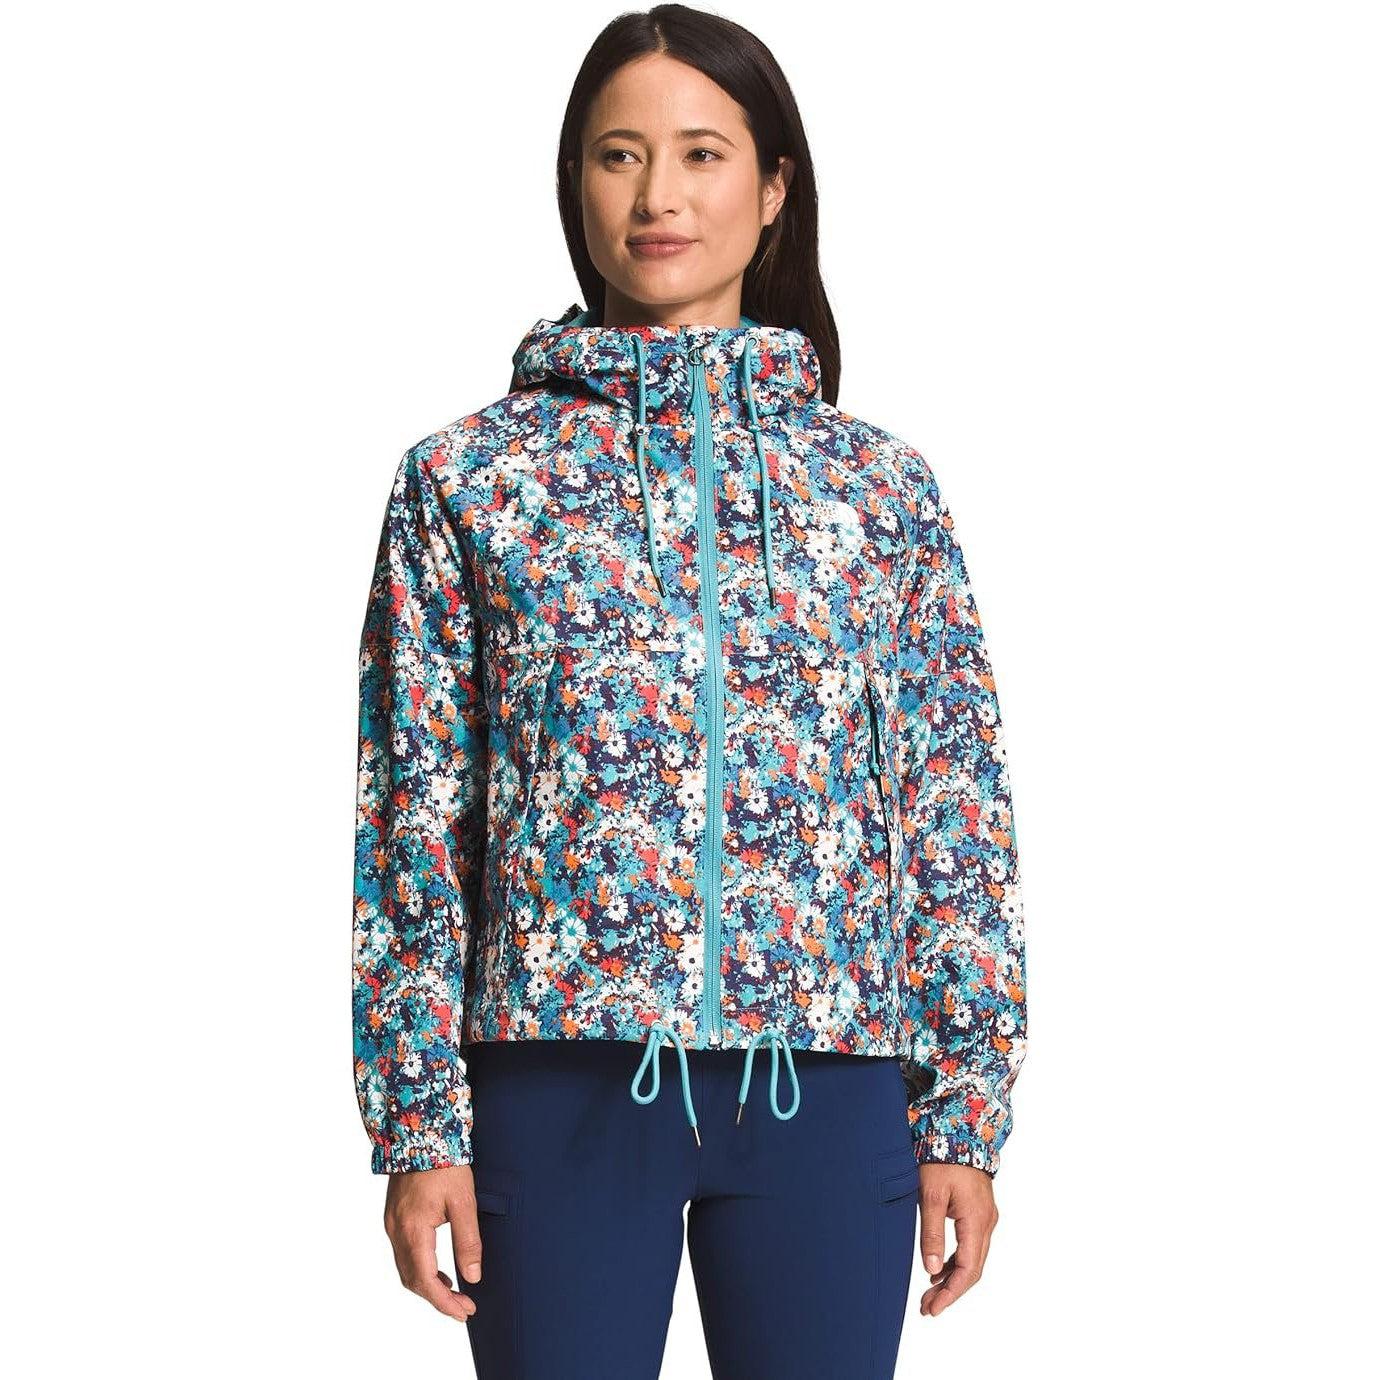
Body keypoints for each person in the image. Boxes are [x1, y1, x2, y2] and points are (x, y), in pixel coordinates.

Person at [351, 6, 1027, 1376]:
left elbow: (953, 806)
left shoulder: (879, 488)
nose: (658, 193)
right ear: (576, 185)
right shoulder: (467, 479)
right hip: (556, 1082)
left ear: (774, 189)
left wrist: (964, 1108)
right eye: (619, 155)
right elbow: (413, 818)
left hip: (827, 1084)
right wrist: (418, 1123)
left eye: (703, 154)